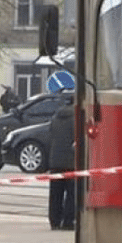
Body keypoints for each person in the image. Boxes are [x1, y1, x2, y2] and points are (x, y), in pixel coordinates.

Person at [47, 95, 77, 230]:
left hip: (55, 161)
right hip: (71, 162)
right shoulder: (76, 118)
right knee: (71, 194)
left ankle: (54, 221)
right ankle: (68, 222)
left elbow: (51, 135)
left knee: (55, 194)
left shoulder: (55, 118)